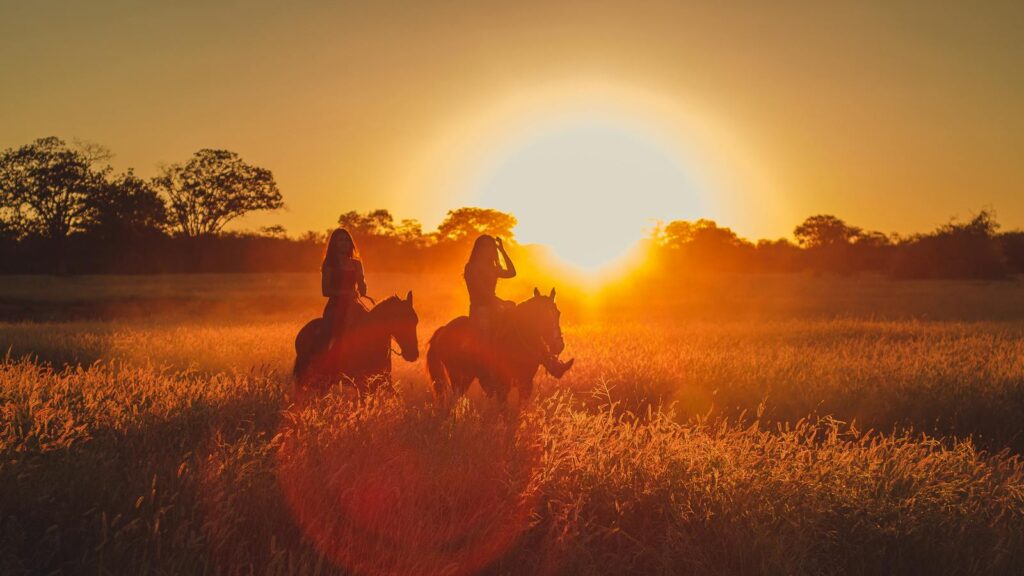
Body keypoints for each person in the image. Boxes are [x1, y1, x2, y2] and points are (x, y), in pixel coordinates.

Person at [463, 235, 571, 377]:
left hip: (496, 307)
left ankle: (552, 364)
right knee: (485, 340)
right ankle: (487, 371)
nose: (487, 249)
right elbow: (482, 292)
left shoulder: (492, 267)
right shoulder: (472, 267)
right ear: (478, 248)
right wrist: (501, 302)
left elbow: (511, 272)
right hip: (480, 309)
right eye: (484, 246)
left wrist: (502, 250)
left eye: (490, 246)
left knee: (525, 328)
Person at [321, 228, 367, 348]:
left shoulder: (357, 263)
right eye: (340, 240)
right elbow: (325, 291)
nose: (344, 243)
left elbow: (362, 289)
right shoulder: (329, 264)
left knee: (371, 325)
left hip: (353, 305)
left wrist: (362, 284)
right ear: (334, 244)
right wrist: (345, 293)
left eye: (346, 240)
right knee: (330, 334)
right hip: (335, 306)